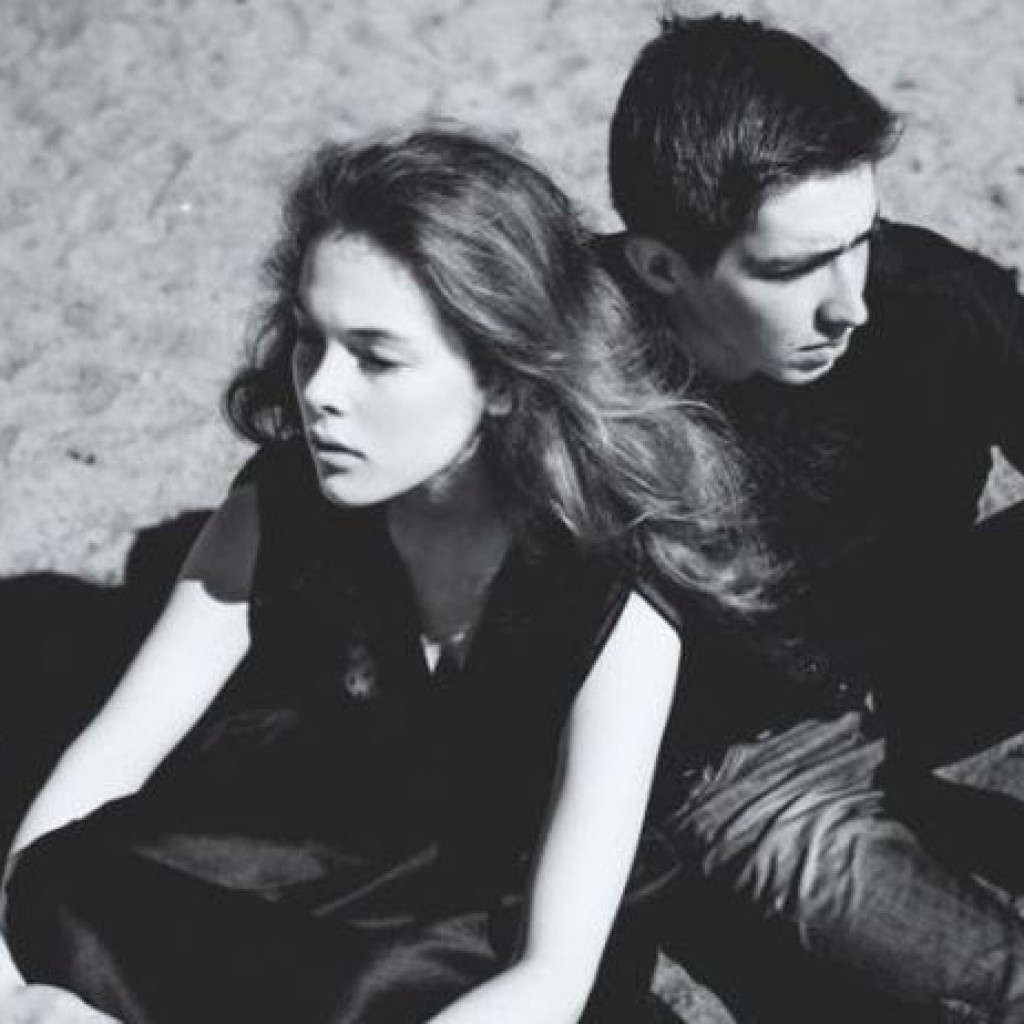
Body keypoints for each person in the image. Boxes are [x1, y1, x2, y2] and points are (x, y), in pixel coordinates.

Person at [0, 124, 772, 1024]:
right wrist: (18, 992)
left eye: (376, 356)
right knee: (72, 883)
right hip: (306, 880)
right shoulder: (280, 506)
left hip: (479, 952)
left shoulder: (614, 593)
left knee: (379, 989)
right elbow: (102, 770)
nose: (319, 390)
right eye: (310, 340)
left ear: (503, 375)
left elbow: (554, 974)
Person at [602, 13, 1024, 1024]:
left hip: (919, 642)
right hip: (740, 762)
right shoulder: (573, 377)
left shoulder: (923, 297)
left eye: (858, 242)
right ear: (661, 266)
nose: (850, 306)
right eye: (792, 269)